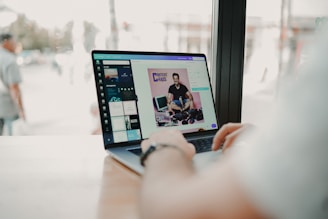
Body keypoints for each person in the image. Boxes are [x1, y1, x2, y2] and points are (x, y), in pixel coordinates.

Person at [138, 32, 328, 219]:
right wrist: (271, 143)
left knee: (186, 107)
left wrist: (164, 149)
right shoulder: (171, 89)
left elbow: (174, 214)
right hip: (177, 109)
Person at [0, 33, 25, 135]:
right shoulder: (9, 60)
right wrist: (21, 109)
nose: (15, 45)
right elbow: (14, 87)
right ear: (6, 42)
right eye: (13, 42)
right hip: (6, 108)